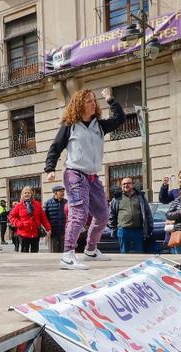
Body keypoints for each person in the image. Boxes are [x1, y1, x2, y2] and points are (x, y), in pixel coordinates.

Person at [44, 88, 127, 269]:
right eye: (89, 101)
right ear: (79, 104)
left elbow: (120, 119)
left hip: (92, 177)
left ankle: (90, 250)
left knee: (103, 215)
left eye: (94, 100)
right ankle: (67, 256)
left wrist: (110, 99)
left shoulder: (99, 126)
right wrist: (50, 168)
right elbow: (56, 147)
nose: (93, 103)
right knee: (79, 214)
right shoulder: (70, 125)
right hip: (75, 174)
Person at [111, 176, 152, 254]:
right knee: (124, 254)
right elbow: (111, 214)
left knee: (140, 253)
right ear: (121, 186)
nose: (126, 185)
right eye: (124, 184)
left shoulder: (140, 197)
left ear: (133, 185)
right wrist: (113, 228)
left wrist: (149, 227)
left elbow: (147, 213)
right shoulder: (117, 198)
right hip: (123, 230)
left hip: (138, 230)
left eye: (128, 183)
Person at [9, 186, 51, 252]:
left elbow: (43, 218)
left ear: (31, 194)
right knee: (25, 253)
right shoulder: (19, 206)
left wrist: (48, 228)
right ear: (22, 195)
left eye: (28, 193)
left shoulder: (37, 204)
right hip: (23, 233)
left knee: (35, 252)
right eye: (25, 193)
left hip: (35, 233)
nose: (27, 194)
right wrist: (19, 224)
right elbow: (11, 217)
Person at [43, 186, 68, 254]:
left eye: (63, 191)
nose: (63, 193)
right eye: (61, 191)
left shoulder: (66, 202)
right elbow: (44, 218)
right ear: (55, 193)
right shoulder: (48, 203)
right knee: (53, 252)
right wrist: (47, 229)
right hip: (53, 232)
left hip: (64, 231)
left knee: (64, 252)